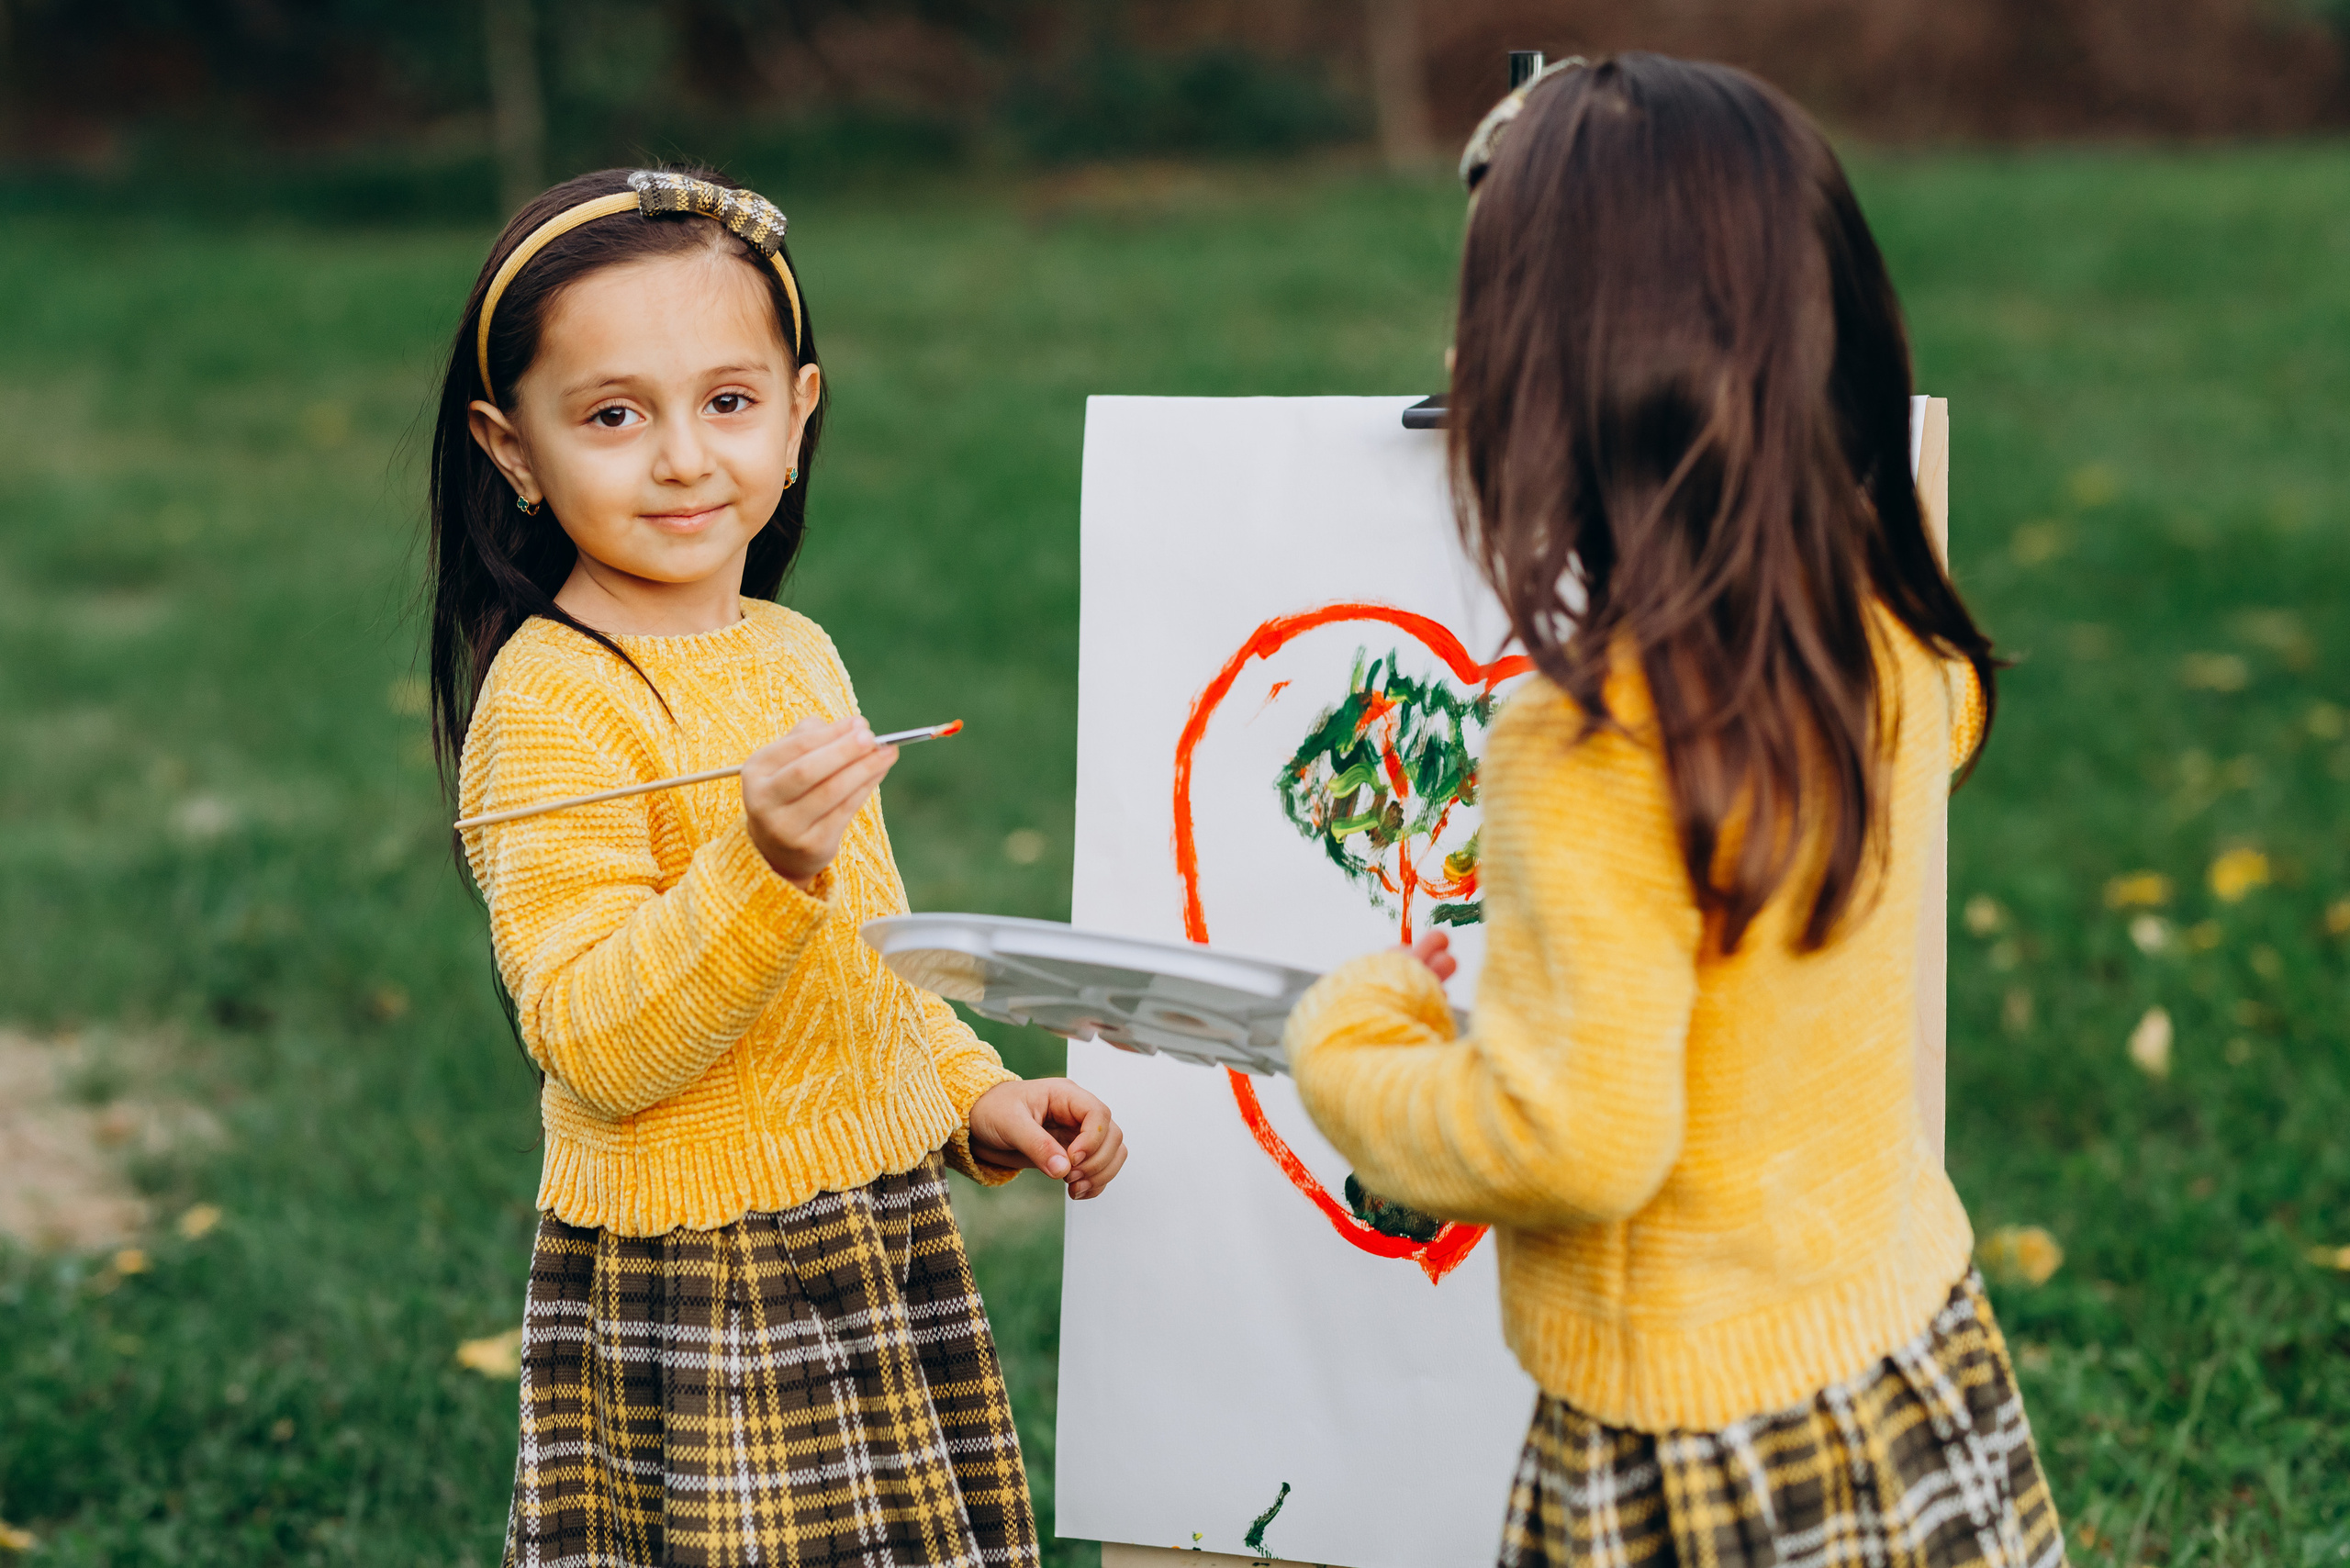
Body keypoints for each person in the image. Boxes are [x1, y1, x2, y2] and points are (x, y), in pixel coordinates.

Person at [1284, 57, 2063, 1568]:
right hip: (1903, 1345)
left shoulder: (1587, 747)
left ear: (1553, 376)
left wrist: (1350, 1034)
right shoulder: (1884, 640)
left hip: (1698, 1439)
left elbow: (1568, 1139)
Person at [425, 165, 1124, 1568]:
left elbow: (870, 967)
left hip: (872, 1234)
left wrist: (971, 1093)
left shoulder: (793, 655)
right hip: (705, 1278)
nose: (683, 458)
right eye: (614, 416)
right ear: (514, 451)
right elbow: (594, 1040)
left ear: (799, 413)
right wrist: (758, 866)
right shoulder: (558, 702)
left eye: (728, 403)